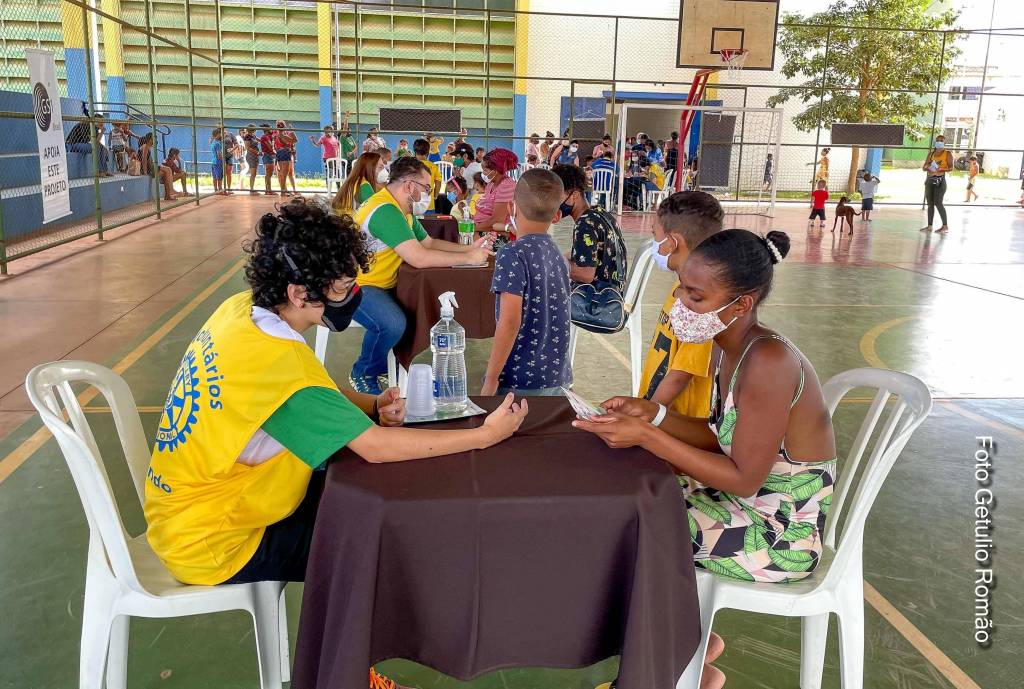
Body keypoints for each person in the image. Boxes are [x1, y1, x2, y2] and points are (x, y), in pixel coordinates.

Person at [144, 197, 528, 689]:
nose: (353, 297)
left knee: (361, 506)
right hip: (218, 539)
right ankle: (347, 676)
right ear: (298, 292)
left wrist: (371, 404)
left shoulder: (242, 314)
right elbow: (375, 448)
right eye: (343, 288)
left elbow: (309, 394)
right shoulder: (277, 363)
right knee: (369, 550)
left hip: (192, 511)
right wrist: (483, 435)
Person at [576, 229, 836, 689]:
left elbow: (744, 479)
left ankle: (665, 670)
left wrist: (648, 437)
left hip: (779, 534)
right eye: (682, 290)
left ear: (741, 304)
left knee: (639, 528)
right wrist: (653, 414)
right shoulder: (729, 346)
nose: (681, 303)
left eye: (695, 296)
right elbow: (722, 438)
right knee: (629, 499)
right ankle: (690, 654)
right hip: (742, 506)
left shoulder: (769, 361)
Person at [349, 156, 492, 393]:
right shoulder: (385, 210)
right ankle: (364, 371)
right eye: (426, 188)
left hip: (381, 284)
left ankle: (387, 364)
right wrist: (468, 259)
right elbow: (419, 257)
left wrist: (469, 249)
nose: (428, 194)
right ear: (408, 186)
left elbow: (429, 243)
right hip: (356, 285)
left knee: (415, 313)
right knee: (393, 324)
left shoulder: (400, 210)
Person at [482, 169, 572, 396]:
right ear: (557, 216)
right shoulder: (558, 256)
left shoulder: (512, 254)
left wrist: (491, 378)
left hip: (519, 381)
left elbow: (509, 322)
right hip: (557, 377)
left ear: (511, 208)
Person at [639, 192, 724, 420]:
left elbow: (680, 375)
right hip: (656, 411)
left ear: (672, 242)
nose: (654, 244)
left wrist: (646, 417)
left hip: (676, 422)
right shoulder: (680, 286)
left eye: (655, 234)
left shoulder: (702, 303)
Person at [552, 164, 627, 294]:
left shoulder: (585, 224)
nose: (553, 203)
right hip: (612, 293)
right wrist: (561, 257)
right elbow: (588, 252)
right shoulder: (601, 213)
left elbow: (586, 274)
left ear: (575, 195)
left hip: (595, 300)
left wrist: (553, 264)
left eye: (556, 197)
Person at [473, 148, 518, 235]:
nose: (483, 173)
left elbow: (497, 220)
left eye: (485, 170)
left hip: (494, 233)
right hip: (481, 228)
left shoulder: (506, 186)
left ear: (496, 171)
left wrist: (472, 228)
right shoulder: (491, 184)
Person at [921, 135, 952, 233]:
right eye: (937, 140)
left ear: (944, 143)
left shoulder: (947, 154)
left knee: (938, 202)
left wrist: (940, 169)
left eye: (941, 141)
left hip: (940, 181)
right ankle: (929, 226)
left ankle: (945, 226)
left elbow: (951, 168)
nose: (939, 142)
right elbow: (924, 167)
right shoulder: (931, 154)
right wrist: (928, 166)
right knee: (930, 204)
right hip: (930, 180)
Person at [138, 133, 179, 202]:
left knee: (165, 174)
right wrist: (145, 172)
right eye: (154, 139)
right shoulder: (145, 147)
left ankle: (168, 196)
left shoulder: (147, 147)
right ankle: (172, 191)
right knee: (168, 169)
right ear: (150, 139)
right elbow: (143, 160)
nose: (155, 140)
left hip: (151, 167)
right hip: (149, 169)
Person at [412, 138, 443, 213]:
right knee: (429, 221)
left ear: (415, 152)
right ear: (428, 152)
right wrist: (435, 196)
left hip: (414, 205)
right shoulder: (433, 167)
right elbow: (438, 183)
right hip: (429, 204)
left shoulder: (411, 166)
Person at [272, 120, 297, 197]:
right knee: (284, 173)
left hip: (280, 153)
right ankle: (283, 191)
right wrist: (292, 132)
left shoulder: (277, 134)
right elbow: (295, 140)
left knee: (283, 173)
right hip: (285, 153)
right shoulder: (282, 135)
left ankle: (284, 190)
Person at [257, 124, 277, 196]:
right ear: (267, 130)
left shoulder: (268, 136)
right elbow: (270, 146)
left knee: (268, 174)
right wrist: (274, 151)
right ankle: (268, 190)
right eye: (270, 129)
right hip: (268, 155)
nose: (272, 130)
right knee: (269, 173)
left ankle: (268, 190)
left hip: (269, 155)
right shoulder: (265, 137)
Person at [242, 124, 260, 194]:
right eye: (255, 129)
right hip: (251, 155)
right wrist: (257, 152)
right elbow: (248, 148)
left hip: (255, 155)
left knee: (254, 173)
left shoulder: (253, 136)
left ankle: (252, 188)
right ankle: (251, 189)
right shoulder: (247, 136)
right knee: (253, 173)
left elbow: (260, 140)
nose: (256, 130)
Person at [210, 128, 225, 194]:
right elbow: (219, 154)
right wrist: (223, 161)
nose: (221, 135)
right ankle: (220, 190)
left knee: (215, 177)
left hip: (213, 161)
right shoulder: (218, 143)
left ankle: (216, 189)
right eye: (220, 134)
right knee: (219, 177)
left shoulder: (213, 142)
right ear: (217, 134)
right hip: (218, 162)